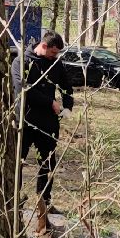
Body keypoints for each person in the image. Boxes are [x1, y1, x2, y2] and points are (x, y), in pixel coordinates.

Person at [19, 31, 74, 215]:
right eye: (53, 52)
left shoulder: (56, 64)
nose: (55, 56)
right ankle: (16, 200)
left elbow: (66, 86)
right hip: (25, 121)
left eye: (57, 53)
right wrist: (50, 102)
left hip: (48, 123)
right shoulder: (22, 62)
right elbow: (25, 90)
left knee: (48, 163)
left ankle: (44, 202)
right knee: (18, 162)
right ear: (43, 46)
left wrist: (68, 106)